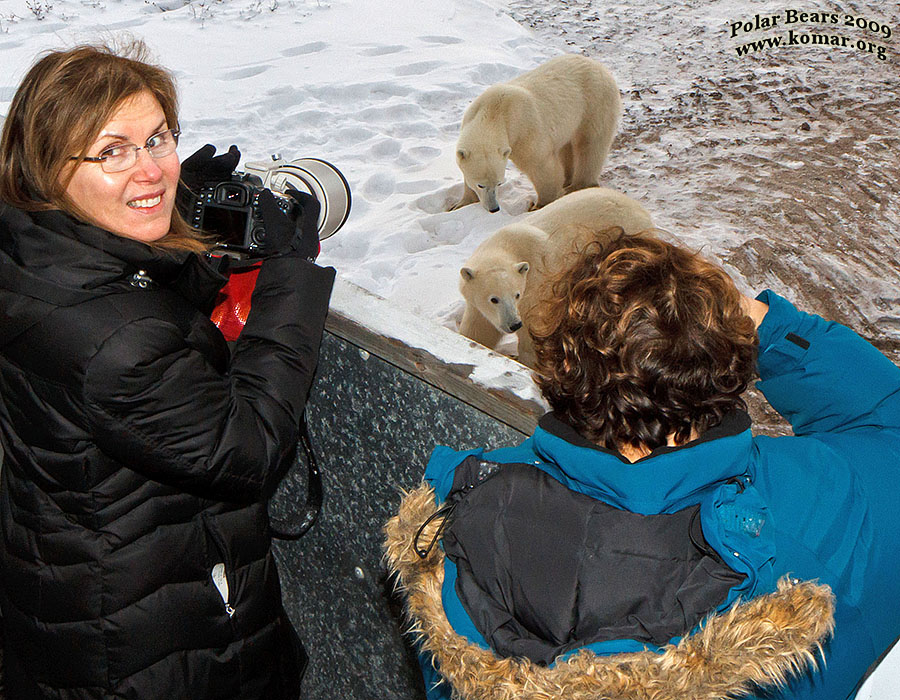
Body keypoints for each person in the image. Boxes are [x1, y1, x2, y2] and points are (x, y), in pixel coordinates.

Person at [386, 232, 900, 699]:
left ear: (562, 370)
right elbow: (886, 415)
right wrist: (764, 322)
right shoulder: (823, 504)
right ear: (729, 365)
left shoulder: (461, 509)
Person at [0, 42, 335, 698]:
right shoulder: (115, 341)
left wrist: (186, 228)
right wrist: (290, 277)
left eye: (158, 139)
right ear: (46, 166)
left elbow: (128, 300)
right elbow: (249, 447)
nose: (151, 169)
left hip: (72, 589)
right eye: (112, 151)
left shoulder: (29, 248)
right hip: (153, 638)